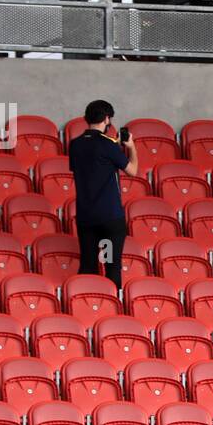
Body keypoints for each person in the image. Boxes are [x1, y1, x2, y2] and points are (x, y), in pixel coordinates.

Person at [69, 100, 138, 290]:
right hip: (108, 219)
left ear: (86, 119)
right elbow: (132, 170)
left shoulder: (75, 145)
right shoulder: (109, 146)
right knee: (111, 266)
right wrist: (130, 146)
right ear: (107, 119)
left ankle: (87, 303)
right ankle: (111, 306)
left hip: (86, 218)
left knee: (88, 265)